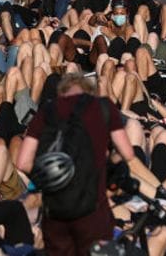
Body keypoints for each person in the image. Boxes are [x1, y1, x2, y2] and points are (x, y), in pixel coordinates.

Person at [16, 73, 156, 256]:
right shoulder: (102, 109)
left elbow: (23, 162)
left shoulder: (47, 112)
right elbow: (128, 154)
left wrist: (54, 179)